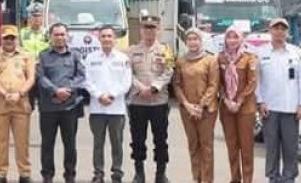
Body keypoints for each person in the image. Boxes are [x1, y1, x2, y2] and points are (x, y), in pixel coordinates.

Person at [256, 17, 301, 183]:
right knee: (271, 147)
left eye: (282, 29)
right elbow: (256, 80)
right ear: (270, 31)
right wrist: (260, 101)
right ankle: (272, 177)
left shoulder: (297, 52)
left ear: (287, 32)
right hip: (269, 109)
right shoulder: (261, 53)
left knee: (290, 147)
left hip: (290, 109)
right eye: (275, 28)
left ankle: (289, 178)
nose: (279, 32)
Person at [127, 13, 174, 183]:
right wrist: (140, 88)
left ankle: (160, 174)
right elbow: (127, 73)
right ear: (140, 30)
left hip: (158, 102)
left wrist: (154, 88)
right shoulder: (132, 51)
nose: (149, 31)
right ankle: (139, 173)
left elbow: (169, 71)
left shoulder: (165, 50)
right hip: (138, 101)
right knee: (138, 139)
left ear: (158, 30)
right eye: (146, 28)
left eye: (152, 28)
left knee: (160, 139)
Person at [0, 25, 36, 183]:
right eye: (6, 38)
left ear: (17, 39)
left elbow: (31, 78)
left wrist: (19, 94)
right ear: (1, 38)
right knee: (0, 141)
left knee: (22, 142)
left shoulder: (26, 55)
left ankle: (25, 173)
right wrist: (5, 93)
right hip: (1, 103)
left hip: (20, 103)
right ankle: (1, 174)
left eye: (12, 38)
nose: (9, 41)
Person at [36, 23, 85, 183]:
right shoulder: (43, 56)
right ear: (50, 36)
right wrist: (56, 91)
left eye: (63, 34)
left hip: (70, 107)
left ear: (67, 36)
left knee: (70, 145)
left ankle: (70, 175)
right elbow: (40, 77)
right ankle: (47, 176)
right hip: (48, 108)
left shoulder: (75, 55)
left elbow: (81, 77)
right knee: (47, 144)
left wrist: (67, 90)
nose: (60, 38)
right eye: (56, 35)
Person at [83, 24, 132, 183]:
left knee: (117, 143)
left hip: (116, 109)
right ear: (98, 38)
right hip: (97, 108)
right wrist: (99, 95)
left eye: (109, 36)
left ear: (115, 39)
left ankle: (117, 173)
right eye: (103, 36)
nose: (106, 39)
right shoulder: (91, 58)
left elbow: (127, 82)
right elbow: (87, 81)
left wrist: (111, 95)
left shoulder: (123, 59)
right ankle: (98, 173)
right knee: (98, 144)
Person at [173, 28, 219, 183]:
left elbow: (214, 85)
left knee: (206, 147)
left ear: (201, 41)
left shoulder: (210, 60)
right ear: (186, 42)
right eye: (190, 39)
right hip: (187, 111)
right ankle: (196, 178)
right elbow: (177, 85)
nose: (193, 42)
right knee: (193, 146)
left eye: (196, 39)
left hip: (206, 111)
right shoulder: (181, 61)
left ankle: (207, 179)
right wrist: (187, 105)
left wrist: (200, 106)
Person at [217, 25, 258, 183]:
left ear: (241, 39)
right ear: (225, 39)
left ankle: (248, 179)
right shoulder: (220, 58)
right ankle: (235, 178)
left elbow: (252, 82)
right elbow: (218, 83)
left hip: (245, 108)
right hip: (227, 108)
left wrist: (239, 101)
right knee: (232, 146)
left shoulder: (249, 57)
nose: (232, 40)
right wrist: (226, 100)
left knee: (246, 147)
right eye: (229, 37)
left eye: (235, 37)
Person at [19, 2, 49, 109]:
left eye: (39, 16)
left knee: (45, 104)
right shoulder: (22, 33)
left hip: (44, 71)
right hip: (27, 71)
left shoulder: (48, 33)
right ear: (29, 18)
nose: (36, 19)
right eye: (34, 16)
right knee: (27, 104)